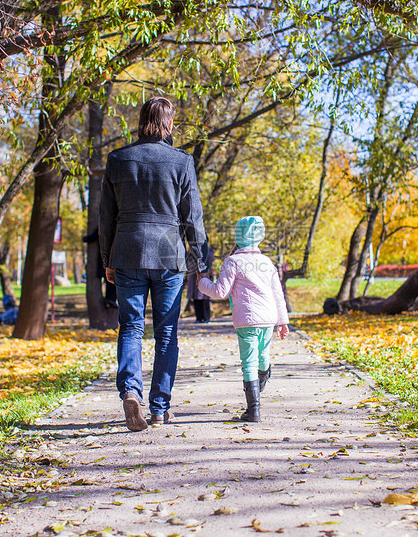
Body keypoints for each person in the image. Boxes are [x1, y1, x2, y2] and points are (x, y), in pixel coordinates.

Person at [99, 97, 209, 432]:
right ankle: (160, 407)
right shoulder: (181, 161)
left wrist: (107, 258)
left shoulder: (118, 159)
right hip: (168, 254)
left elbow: (106, 216)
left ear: (141, 120)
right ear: (168, 124)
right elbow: (192, 216)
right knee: (166, 332)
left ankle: (131, 391)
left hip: (128, 251)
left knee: (131, 327)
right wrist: (201, 260)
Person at [199, 216, 289, 422]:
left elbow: (220, 291)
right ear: (261, 236)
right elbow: (278, 294)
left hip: (246, 319)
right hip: (267, 318)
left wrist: (202, 282)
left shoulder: (233, 261)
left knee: (248, 362)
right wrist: (282, 321)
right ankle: (262, 378)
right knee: (263, 355)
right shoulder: (267, 262)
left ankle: (253, 409)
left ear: (237, 237)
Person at [185, 245, 215, 322]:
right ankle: (198, 317)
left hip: (205, 274)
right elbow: (187, 261)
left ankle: (206, 317)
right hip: (194, 276)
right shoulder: (192, 250)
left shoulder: (208, 250)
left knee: (205, 298)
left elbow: (211, 259)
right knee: (196, 298)